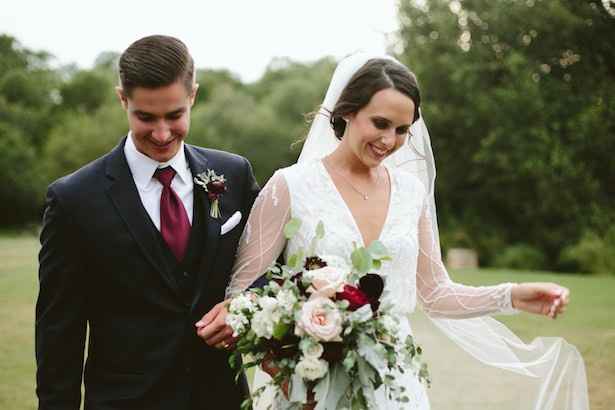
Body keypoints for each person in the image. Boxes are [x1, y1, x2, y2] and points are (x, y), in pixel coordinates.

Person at [198, 53, 589, 409]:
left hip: (393, 381)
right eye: (380, 124)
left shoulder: (411, 193)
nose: (390, 141)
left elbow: (435, 293)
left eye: (402, 129)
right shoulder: (291, 186)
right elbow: (243, 292)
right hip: (308, 386)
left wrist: (514, 296)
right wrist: (281, 365)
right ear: (347, 112)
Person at [35, 35, 259, 410]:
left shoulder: (234, 175)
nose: (161, 133)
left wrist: (244, 303)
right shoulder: (73, 199)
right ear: (123, 99)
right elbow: (59, 333)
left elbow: (271, 265)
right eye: (145, 117)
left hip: (220, 397)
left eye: (174, 115)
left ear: (193, 96)